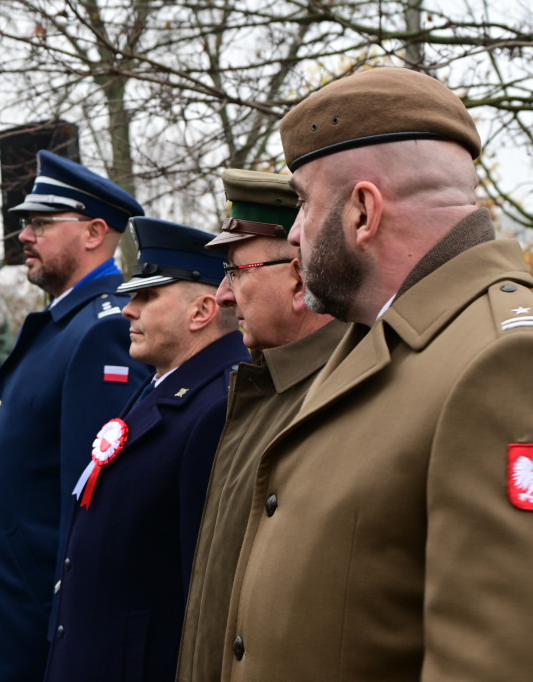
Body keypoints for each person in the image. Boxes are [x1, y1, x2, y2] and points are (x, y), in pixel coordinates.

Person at [219, 68, 533, 681]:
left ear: (363, 210)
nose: (292, 232)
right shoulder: (390, 343)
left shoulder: (519, 369)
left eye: (305, 204)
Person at [0, 150, 151, 682]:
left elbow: (95, 509)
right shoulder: (63, 324)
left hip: (30, 635)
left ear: (96, 232)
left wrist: (67, 641)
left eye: (40, 223)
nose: (24, 235)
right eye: (25, 223)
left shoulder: (104, 330)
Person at [44, 217, 248, 681]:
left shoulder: (216, 405)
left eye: (146, 296)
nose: (126, 310)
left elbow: (203, 586)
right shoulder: (164, 384)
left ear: (201, 311)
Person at [177, 169, 348, 682]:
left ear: (299, 277)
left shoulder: (333, 399)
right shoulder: (263, 387)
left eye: (236, 271)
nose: (224, 295)